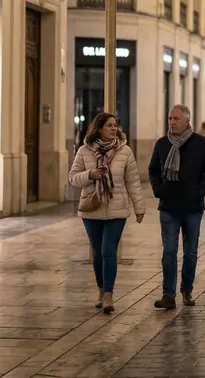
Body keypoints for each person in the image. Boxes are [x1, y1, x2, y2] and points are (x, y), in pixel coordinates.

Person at [68, 112, 146, 314]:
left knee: (108, 250)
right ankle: (101, 290)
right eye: (109, 125)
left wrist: (139, 208)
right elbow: (73, 178)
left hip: (117, 210)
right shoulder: (85, 150)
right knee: (97, 252)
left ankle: (109, 295)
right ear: (99, 128)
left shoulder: (125, 151)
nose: (113, 129)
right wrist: (90, 174)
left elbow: (133, 182)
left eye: (115, 125)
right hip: (92, 209)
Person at [148, 106, 205, 310]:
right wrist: (159, 190)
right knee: (169, 252)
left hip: (192, 207)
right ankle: (168, 295)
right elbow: (153, 170)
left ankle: (187, 290)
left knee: (190, 252)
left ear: (187, 121)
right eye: (170, 118)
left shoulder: (201, 143)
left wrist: (199, 192)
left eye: (176, 119)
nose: (171, 122)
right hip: (168, 207)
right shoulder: (162, 144)